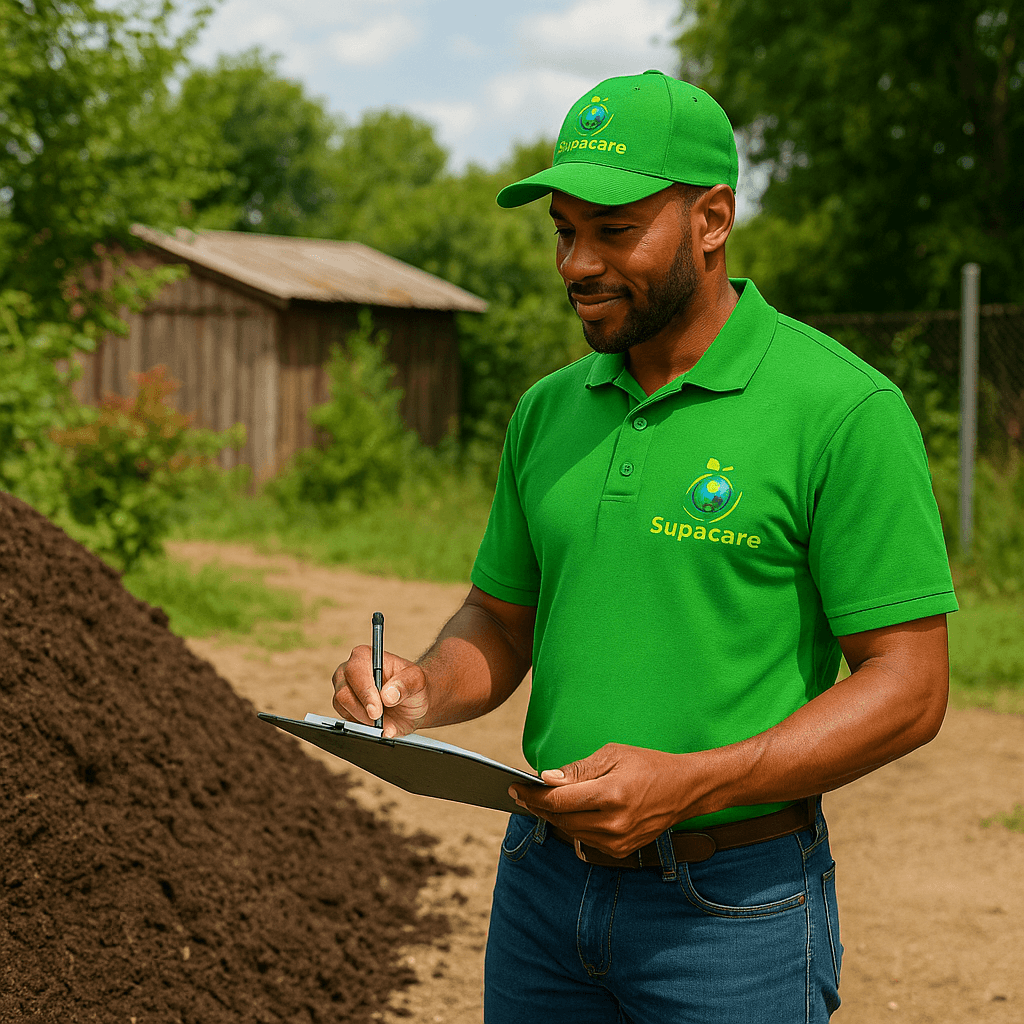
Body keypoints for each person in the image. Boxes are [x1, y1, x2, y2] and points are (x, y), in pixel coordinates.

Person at [332, 70, 958, 1024]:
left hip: (732, 910)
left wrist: (695, 781)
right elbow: (501, 619)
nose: (574, 263)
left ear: (712, 220)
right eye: (563, 231)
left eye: (614, 232)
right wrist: (423, 685)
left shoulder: (844, 411)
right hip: (541, 890)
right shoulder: (550, 409)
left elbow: (910, 687)